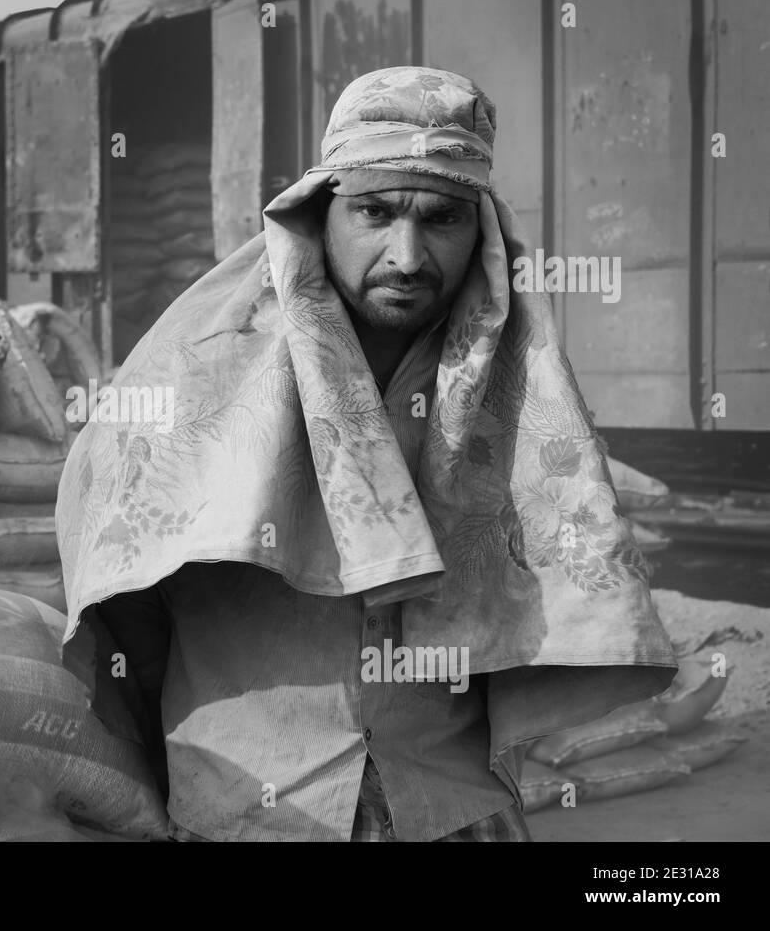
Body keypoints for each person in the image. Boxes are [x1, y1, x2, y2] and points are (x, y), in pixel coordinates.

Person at [55, 66, 677, 842]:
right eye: (375, 213)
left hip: (452, 806)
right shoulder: (202, 366)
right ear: (322, 215)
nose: (408, 255)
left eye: (442, 219)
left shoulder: (517, 388)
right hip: (252, 811)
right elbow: (125, 598)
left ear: (480, 231)